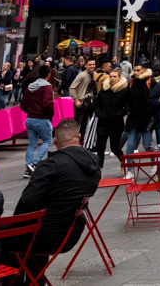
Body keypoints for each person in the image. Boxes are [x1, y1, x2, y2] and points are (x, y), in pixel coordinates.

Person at [9, 119, 100, 268]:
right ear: (79, 137)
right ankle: (35, 279)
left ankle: (16, 280)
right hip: (69, 233)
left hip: (42, 235)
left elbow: (27, 202)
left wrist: (14, 225)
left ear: (55, 141)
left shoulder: (51, 165)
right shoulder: (94, 163)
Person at [21, 63, 56, 177]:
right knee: (48, 141)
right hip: (42, 118)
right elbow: (47, 104)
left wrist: (31, 111)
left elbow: (23, 104)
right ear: (49, 74)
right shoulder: (47, 87)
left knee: (32, 144)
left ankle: (28, 167)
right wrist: (50, 114)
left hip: (30, 118)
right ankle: (35, 164)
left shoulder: (30, 86)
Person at [93, 68, 129, 169]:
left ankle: (123, 162)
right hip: (102, 122)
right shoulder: (104, 91)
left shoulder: (123, 91)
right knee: (100, 147)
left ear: (119, 78)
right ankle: (99, 170)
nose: (112, 78)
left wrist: (118, 114)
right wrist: (98, 113)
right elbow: (96, 104)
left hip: (116, 124)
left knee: (115, 148)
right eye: (111, 76)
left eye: (114, 77)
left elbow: (127, 107)